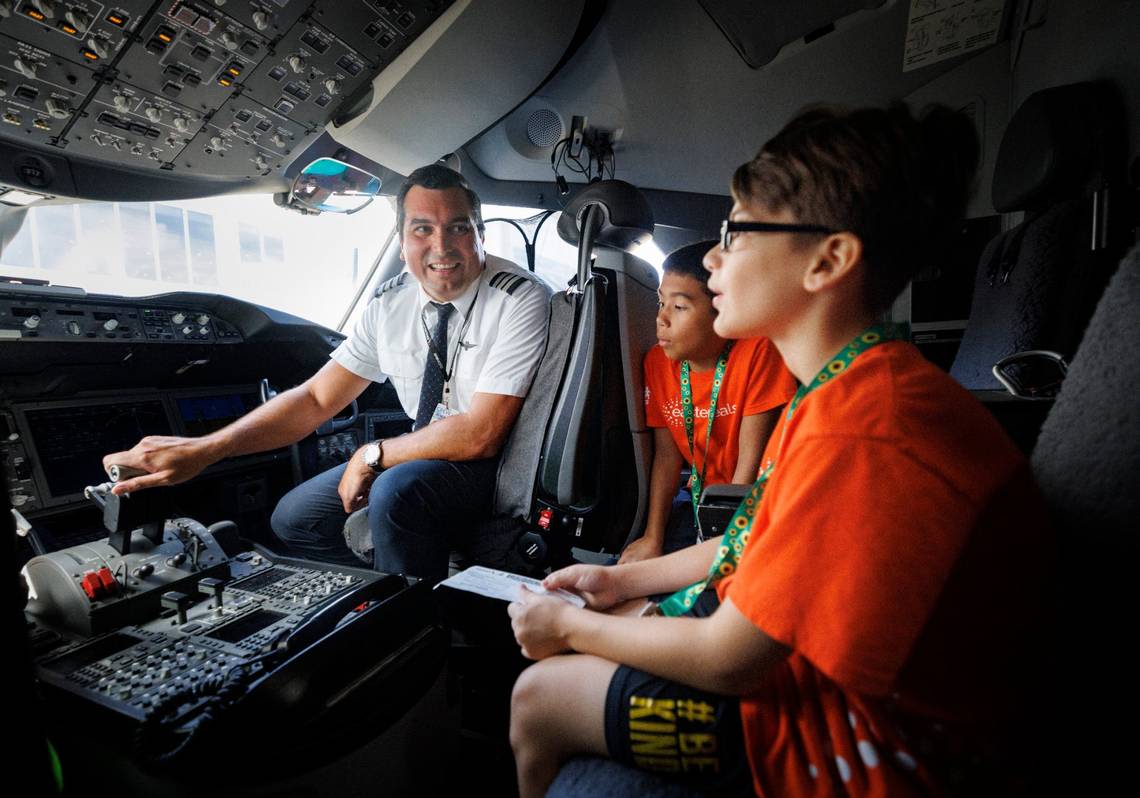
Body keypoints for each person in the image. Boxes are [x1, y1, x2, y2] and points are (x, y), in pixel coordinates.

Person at [507, 104, 1052, 797]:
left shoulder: (866, 424)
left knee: (537, 697)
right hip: (812, 671)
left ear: (828, 260)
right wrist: (619, 582)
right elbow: (756, 537)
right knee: (606, 618)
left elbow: (730, 659)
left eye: (735, 232)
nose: (712, 257)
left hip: (864, 742)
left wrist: (564, 628)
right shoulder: (843, 386)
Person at [103, 164, 551, 582]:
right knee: (296, 518)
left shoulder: (519, 298)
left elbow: (481, 434)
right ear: (401, 240)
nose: (442, 246)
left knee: (395, 489)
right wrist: (208, 449)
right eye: (422, 229)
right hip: (425, 452)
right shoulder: (390, 303)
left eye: (458, 227)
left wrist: (370, 454)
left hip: (497, 466)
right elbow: (317, 399)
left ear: (480, 234)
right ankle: (387, 596)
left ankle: (414, 631)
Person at [619, 240, 795, 564]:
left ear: (723, 308)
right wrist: (652, 536)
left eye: (680, 306)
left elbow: (750, 461)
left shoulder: (758, 351)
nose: (662, 319)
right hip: (699, 497)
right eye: (660, 303)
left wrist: (727, 545)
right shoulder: (657, 363)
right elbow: (667, 459)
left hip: (751, 502)